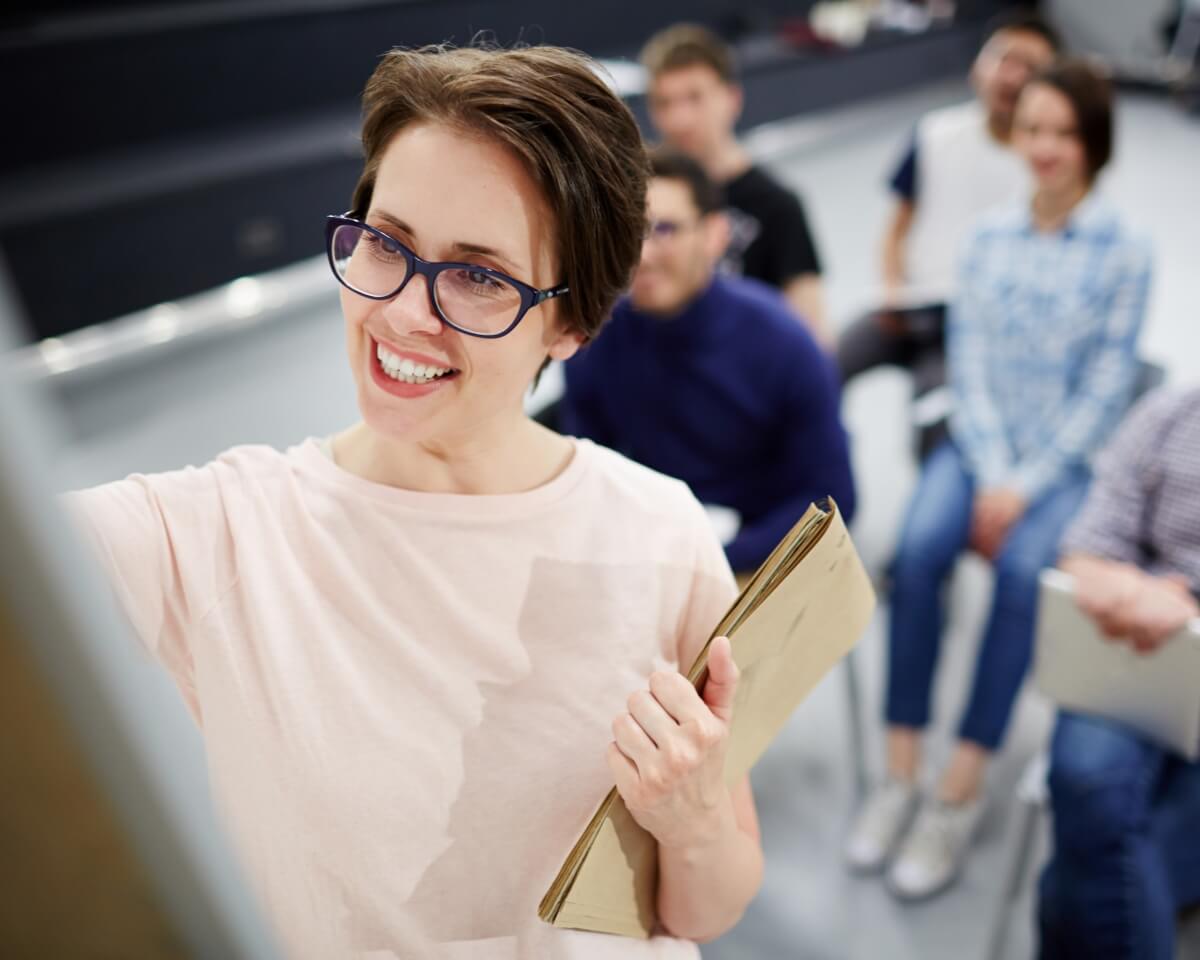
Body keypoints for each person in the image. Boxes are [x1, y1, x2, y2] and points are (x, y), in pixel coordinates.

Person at [65, 45, 763, 957]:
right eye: (386, 243)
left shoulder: (661, 532)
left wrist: (694, 816)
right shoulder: (214, 538)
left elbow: (704, 908)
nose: (401, 312)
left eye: (478, 275)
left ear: (571, 322)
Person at [844, 59, 1154, 900]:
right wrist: (989, 466)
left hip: (1063, 466)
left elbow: (1105, 388)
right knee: (916, 550)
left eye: (1065, 133)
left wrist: (1023, 484)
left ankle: (959, 789)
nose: (1047, 147)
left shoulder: (1127, 251)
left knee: (1024, 579)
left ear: (1094, 144)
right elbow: (968, 362)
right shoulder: (986, 237)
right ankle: (901, 771)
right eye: (1035, 129)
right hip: (978, 450)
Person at [560, 148, 854, 576]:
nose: (642, 255)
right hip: (651, 552)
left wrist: (717, 557)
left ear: (715, 235)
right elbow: (590, 479)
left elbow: (831, 494)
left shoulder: (782, 341)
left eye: (665, 230)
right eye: (631, 231)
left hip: (760, 555)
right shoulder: (594, 339)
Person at [835, 9, 1060, 454]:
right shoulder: (935, 134)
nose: (1011, 76)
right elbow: (896, 228)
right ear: (980, 63)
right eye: (1003, 59)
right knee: (822, 366)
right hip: (906, 302)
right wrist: (891, 288)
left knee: (933, 418)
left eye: (1029, 67)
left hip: (972, 324)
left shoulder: (1045, 163)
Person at [1038, 385, 1200, 960]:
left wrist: (1188, 611)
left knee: (1098, 850)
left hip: (1171, 626)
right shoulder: (1170, 414)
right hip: (1141, 645)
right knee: (1087, 780)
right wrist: (1127, 588)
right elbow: (1086, 546)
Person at [640, 23, 830, 344]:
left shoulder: (777, 205)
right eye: (664, 103)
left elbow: (812, 333)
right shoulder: (637, 199)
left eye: (694, 98)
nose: (679, 119)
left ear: (731, 99)